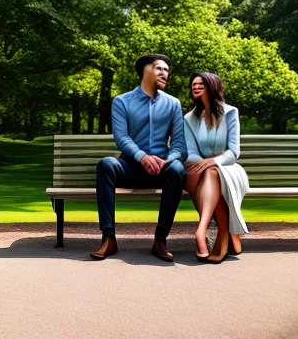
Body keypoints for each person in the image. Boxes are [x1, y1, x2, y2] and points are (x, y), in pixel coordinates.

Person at [91, 53, 186, 262]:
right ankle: (109, 238)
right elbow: (122, 138)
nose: (165, 73)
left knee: (178, 169)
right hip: (130, 167)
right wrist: (142, 157)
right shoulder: (122, 101)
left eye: (167, 70)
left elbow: (179, 144)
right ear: (145, 70)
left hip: (162, 169)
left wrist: (167, 160)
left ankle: (160, 239)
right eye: (160, 68)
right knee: (106, 164)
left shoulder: (173, 104)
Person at [183, 71, 249, 263]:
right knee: (203, 173)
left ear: (211, 87)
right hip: (198, 169)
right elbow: (191, 150)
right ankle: (224, 230)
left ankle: (202, 231)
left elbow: (233, 152)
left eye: (200, 85)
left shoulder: (230, 112)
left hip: (228, 168)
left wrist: (213, 161)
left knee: (212, 172)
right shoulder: (189, 118)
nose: (195, 87)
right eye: (193, 84)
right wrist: (201, 162)